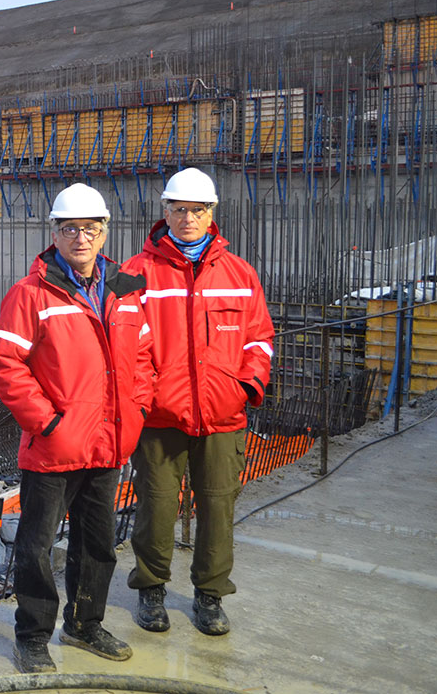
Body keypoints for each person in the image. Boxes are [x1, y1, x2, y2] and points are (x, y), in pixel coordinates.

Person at [0, 183, 155, 673]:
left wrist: (137, 409)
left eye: (89, 228)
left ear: (104, 232)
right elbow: (5, 366)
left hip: (108, 442)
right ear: (55, 234)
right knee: (37, 546)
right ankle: (33, 637)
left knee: (97, 543)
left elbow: (142, 358)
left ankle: (85, 625)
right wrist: (49, 423)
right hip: (56, 445)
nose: (80, 237)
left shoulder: (124, 288)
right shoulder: (30, 293)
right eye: (69, 228)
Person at [123, 167, 274, 637]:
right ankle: (151, 590)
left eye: (197, 210)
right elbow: (121, 343)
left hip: (222, 415)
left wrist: (244, 387)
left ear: (212, 213)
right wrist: (145, 400)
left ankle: (210, 596)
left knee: (217, 507)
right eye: (179, 209)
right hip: (160, 419)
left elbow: (260, 338)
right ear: (165, 210)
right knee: (156, 506)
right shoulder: (132, 273)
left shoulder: (240, 272)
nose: (188, 218)